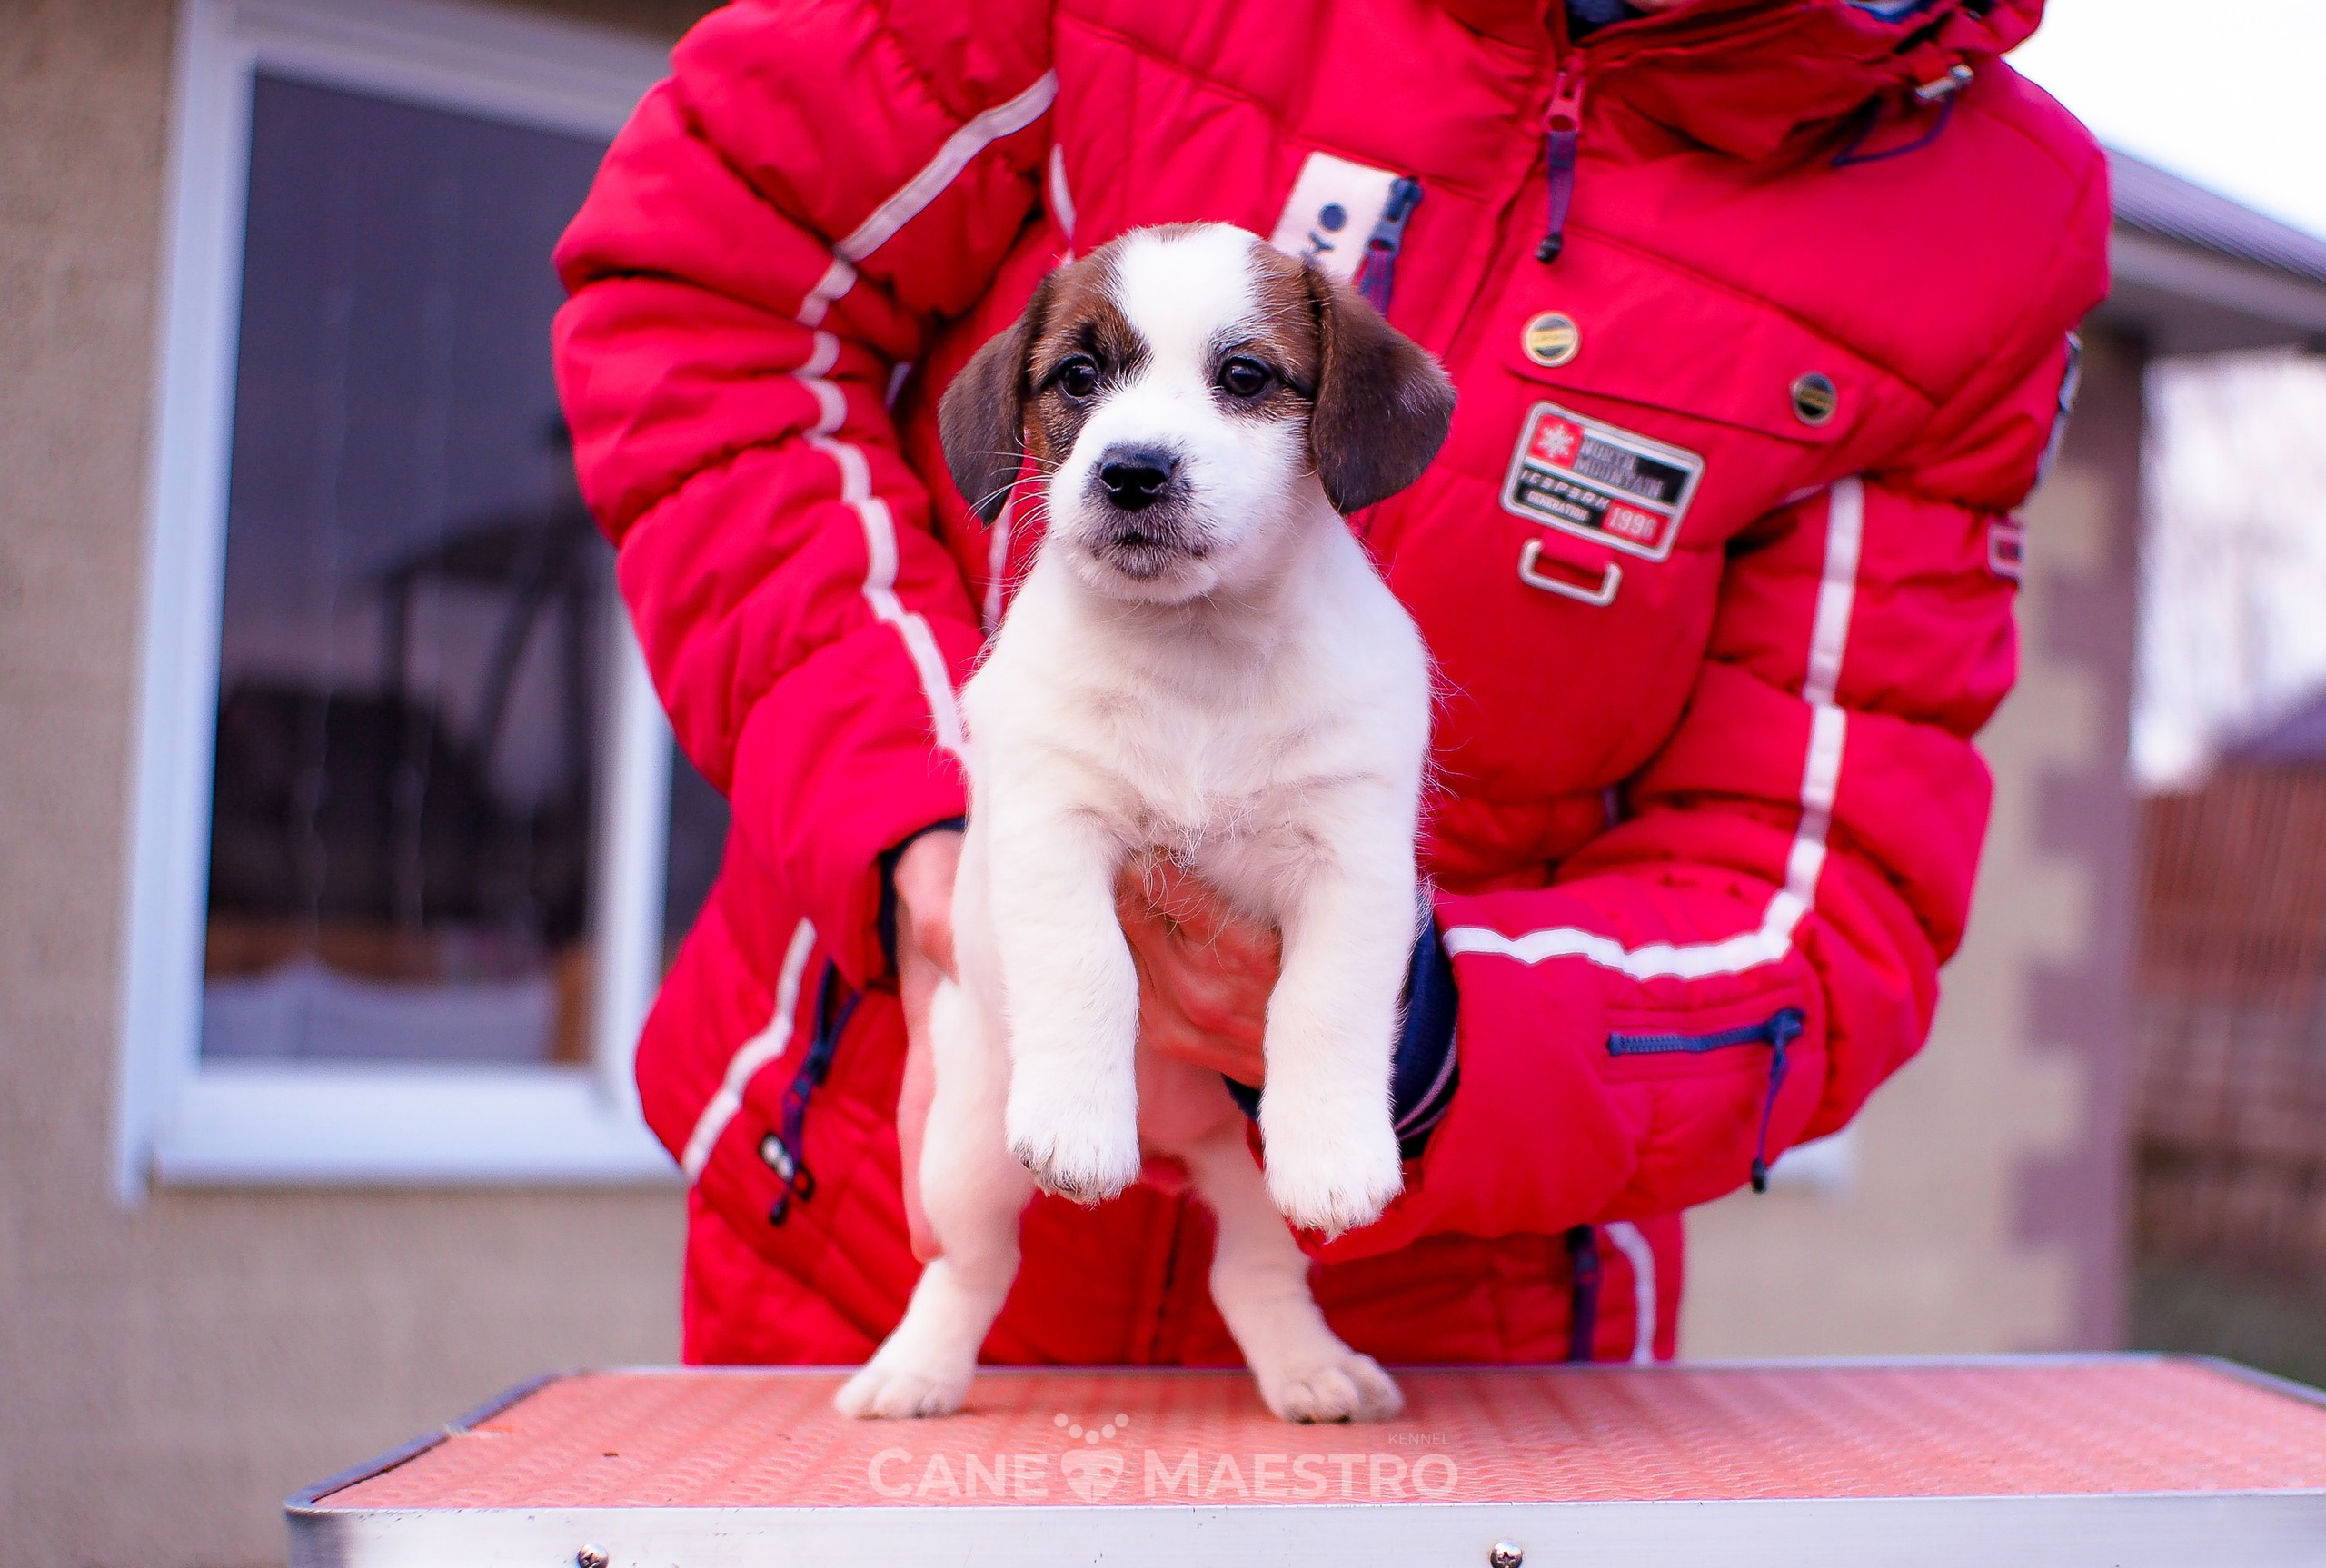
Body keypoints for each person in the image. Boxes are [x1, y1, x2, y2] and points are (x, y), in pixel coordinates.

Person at [553, 0, 2107, 1368]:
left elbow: (1818, 899)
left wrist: (1422, 1036)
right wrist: (916, 821)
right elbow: (709, 290)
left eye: (1236, 380)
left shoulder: (1985, 226)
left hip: (1449, 1311)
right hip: (862, 1204)